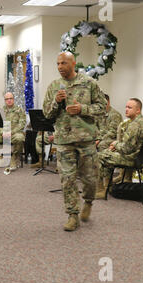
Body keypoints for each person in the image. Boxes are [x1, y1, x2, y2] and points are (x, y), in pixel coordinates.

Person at [43, 52, 107, 231]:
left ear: (73, 63)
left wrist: (82, 108)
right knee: (67, 179)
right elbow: (47, 113)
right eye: (57, 64)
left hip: (86, 139)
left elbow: (102, 108)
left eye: (63, 63)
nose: (60, 67)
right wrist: (56, 102)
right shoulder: (54, 86)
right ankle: (72, 215)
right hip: (64, 140)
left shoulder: (89, 84)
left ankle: (88, 201)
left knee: (89, 178)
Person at [96, 98, 143, 198]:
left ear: (138, 110)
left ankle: (101, 190)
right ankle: (108, 186)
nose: (126, 109)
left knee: (98, 156)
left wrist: (115, 144)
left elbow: (127, 150)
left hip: (133, 159)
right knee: (107, 153)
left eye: (129, 107)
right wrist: (117, 146)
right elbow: (130, 146)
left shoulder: (135, 125)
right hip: (142, 159)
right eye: (126, 107)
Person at [0, 92, 26, 171]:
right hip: (3, 134)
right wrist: (2, 132)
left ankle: (15, 157)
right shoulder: (1, 111)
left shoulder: (19, 110)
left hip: (14, 134)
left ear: (13, 99)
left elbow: (22, 124)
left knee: (20, 138)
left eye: (11, 98)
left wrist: (11, 132)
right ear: (4, 100)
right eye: (7, 99)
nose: (9, 100)